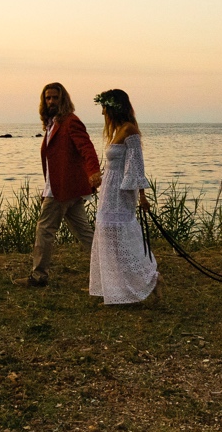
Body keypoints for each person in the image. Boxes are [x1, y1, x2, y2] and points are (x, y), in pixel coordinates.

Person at [88, 88, 162, 306]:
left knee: (121, 235)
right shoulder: (117, 130)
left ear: (114, 107)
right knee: (108, 234)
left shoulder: (129, 130)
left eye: (105, 107)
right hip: (109, 190)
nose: (102, 113)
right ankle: (118, 289)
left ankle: (151, 278)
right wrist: (98, 177)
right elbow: (114, 164)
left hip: (121, 192)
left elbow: (136, 166)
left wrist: (142, 196)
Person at [26, 82, 100, 288]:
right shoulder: (52, 124)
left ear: (63, 99)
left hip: (63, 190)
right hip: (66, 188)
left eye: (55, 98)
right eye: (47, 98)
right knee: (85, 233)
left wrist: (94, 171)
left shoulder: (70, 122)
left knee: (44, 229)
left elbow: (87, 147)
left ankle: (39, 276)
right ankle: (110, 269)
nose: (51, 101)